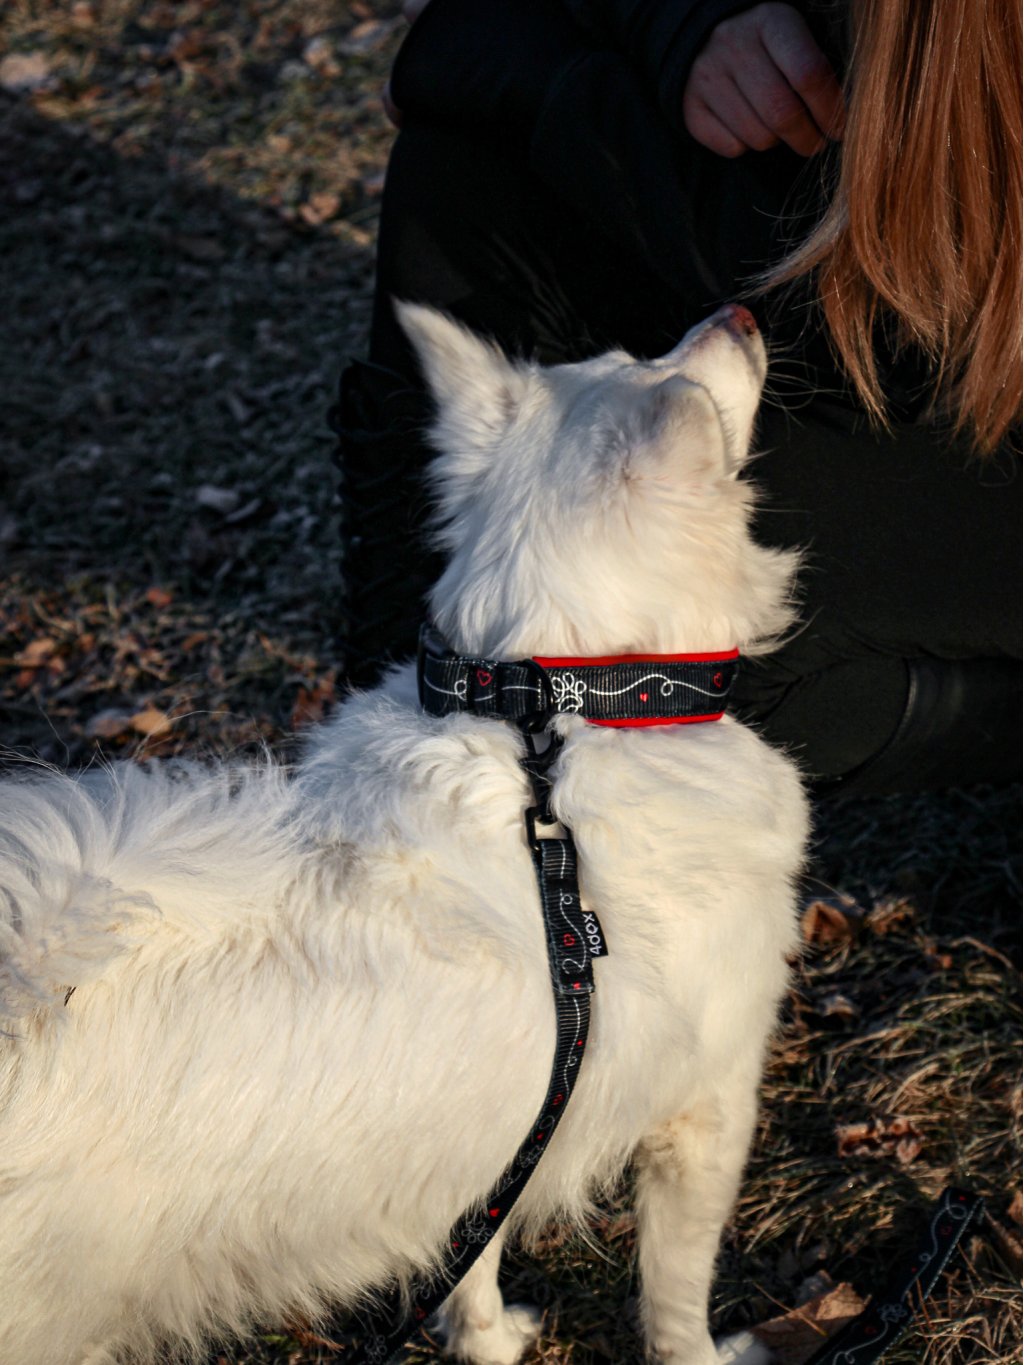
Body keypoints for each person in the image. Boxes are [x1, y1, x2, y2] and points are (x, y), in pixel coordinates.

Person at [330, 0, 1022, 796]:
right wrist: (686, 30)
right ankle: (400, 728)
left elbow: (906, 337)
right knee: (467, 166)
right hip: (827, 290)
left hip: (965, 399)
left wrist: (568, 91)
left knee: (677, 610)